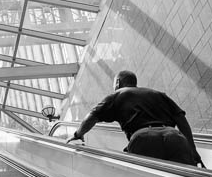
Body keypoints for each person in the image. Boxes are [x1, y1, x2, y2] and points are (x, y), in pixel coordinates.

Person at [66, 70, 203, 166]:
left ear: (118, 82)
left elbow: (92, 117)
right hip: (175, 137)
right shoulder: (158, 94)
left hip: (143, 139)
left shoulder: (117, 95)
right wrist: (192, 149)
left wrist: (78, 134)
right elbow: (181, 120)